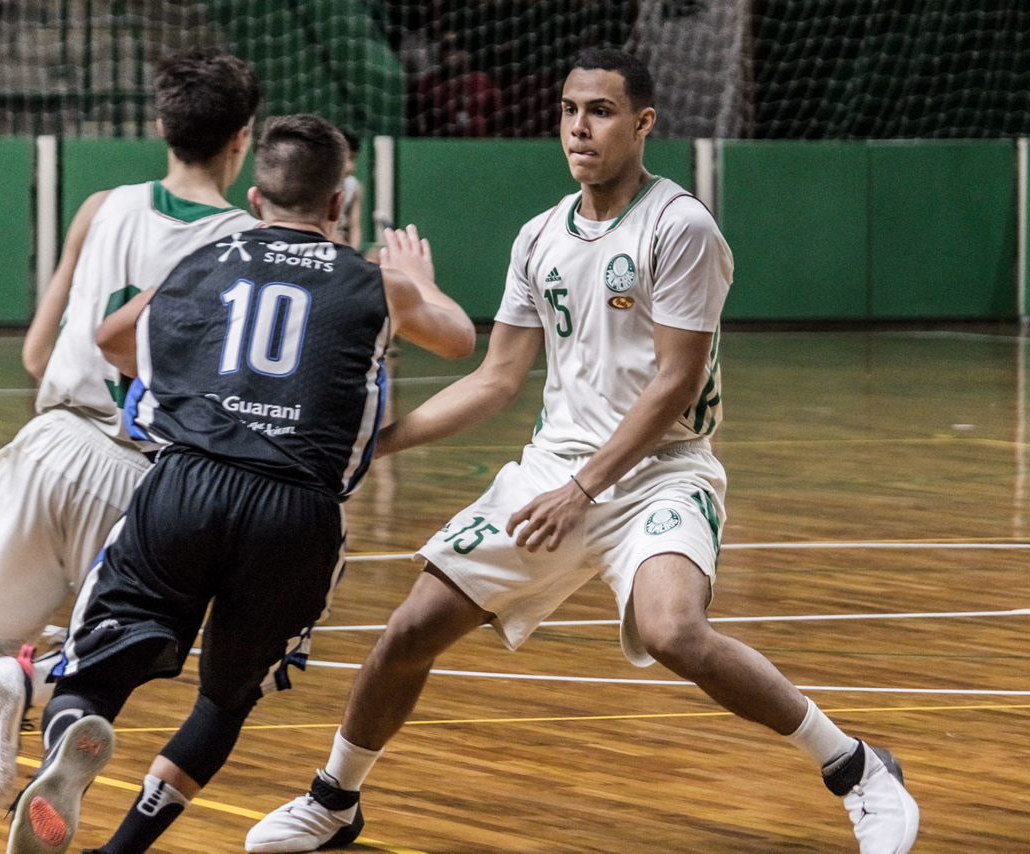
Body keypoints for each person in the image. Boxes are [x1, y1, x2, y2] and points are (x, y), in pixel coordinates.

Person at [246, 48, 920, 854]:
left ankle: (858, 769)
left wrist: (585, 490)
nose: (579, 128)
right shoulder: (539, 237)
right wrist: (373, 448)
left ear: (643, 123)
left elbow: (675, 382)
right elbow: (496, 379)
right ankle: (334, 802)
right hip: (552, 471)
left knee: (674, 632)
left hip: (661, 472)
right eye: (569, 110)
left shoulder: (680, 227)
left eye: (600, 111)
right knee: (409, 630)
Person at [3, 114, 475, 854]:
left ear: (255, 200)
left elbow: (112, 339)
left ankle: (69, 738)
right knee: (225, 700)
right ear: (338, 203)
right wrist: (418, 279)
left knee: (95, 668)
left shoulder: (206, 261)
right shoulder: (375, 284)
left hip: (188, 484)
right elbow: (459, 339)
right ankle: (120, 852)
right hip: (298, 509)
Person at [0, 47, 262, 854]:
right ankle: (30, 685)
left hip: (48, 447)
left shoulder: (101, 208)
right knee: (116, 657)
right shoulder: (245, 244)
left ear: (160, 124)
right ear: (242, 138)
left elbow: (37, 353)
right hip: (142, 478)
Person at [334, 129, 363, 250]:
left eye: (353, 158)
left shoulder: (353, 186)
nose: (351, 166)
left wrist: (354, 252)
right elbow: (327, 231)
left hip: (344, 247)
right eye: (347, 158)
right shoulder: (319, 188)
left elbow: (355, 226)